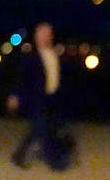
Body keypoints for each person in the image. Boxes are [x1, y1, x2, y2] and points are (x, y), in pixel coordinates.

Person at [7, 21, 71, 169]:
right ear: (36, 37)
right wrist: (15, 96)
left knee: (40, 129)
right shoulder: (31, 57)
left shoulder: (56, 55)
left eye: (47, 34)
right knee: (43, 128)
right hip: (36, 99)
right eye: (41, 34)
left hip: (53, 98)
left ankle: (19, 155)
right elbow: (21, 78)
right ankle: (54, 161)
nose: (44, 37)